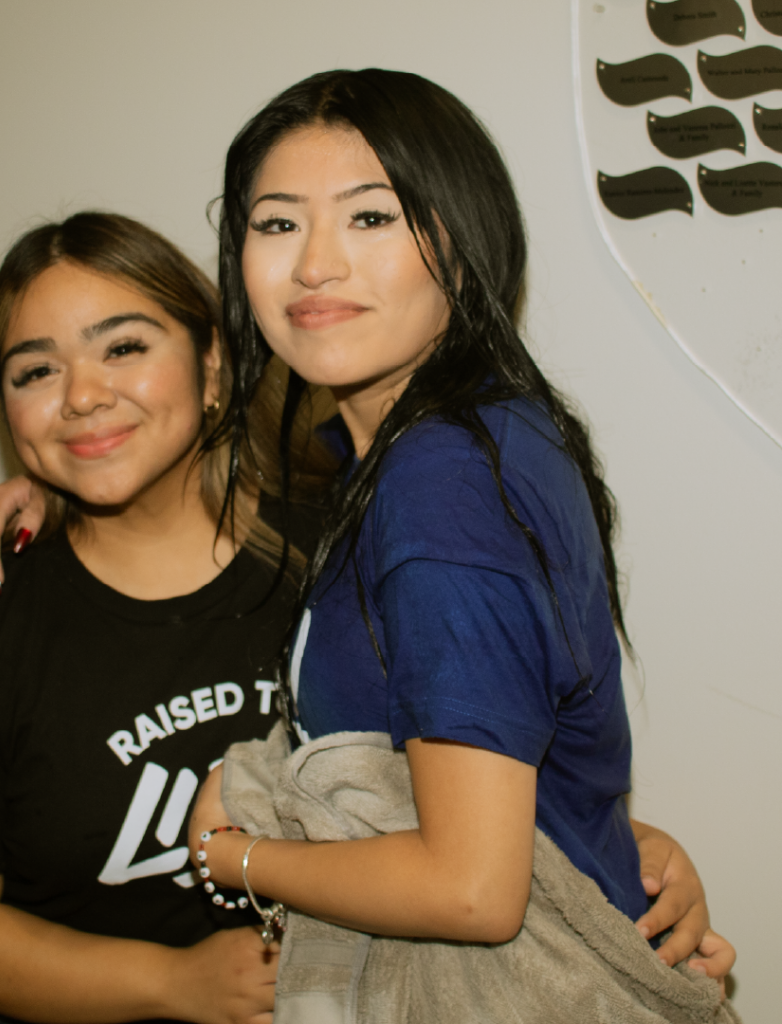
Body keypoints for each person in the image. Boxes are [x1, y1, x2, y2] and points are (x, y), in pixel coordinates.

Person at [174, 66, 735, 986]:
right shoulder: (446, 440)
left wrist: (231, 856)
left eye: (371, 216)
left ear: (465, 241)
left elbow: (471, 890)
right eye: (277, 223)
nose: (314, 263)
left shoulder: (443, 481)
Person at [0, 211, 336, 1024]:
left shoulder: (341, 557)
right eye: (36, 371)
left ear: (211, 363)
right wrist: (175, 983)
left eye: (123, 348)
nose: (81, 395)